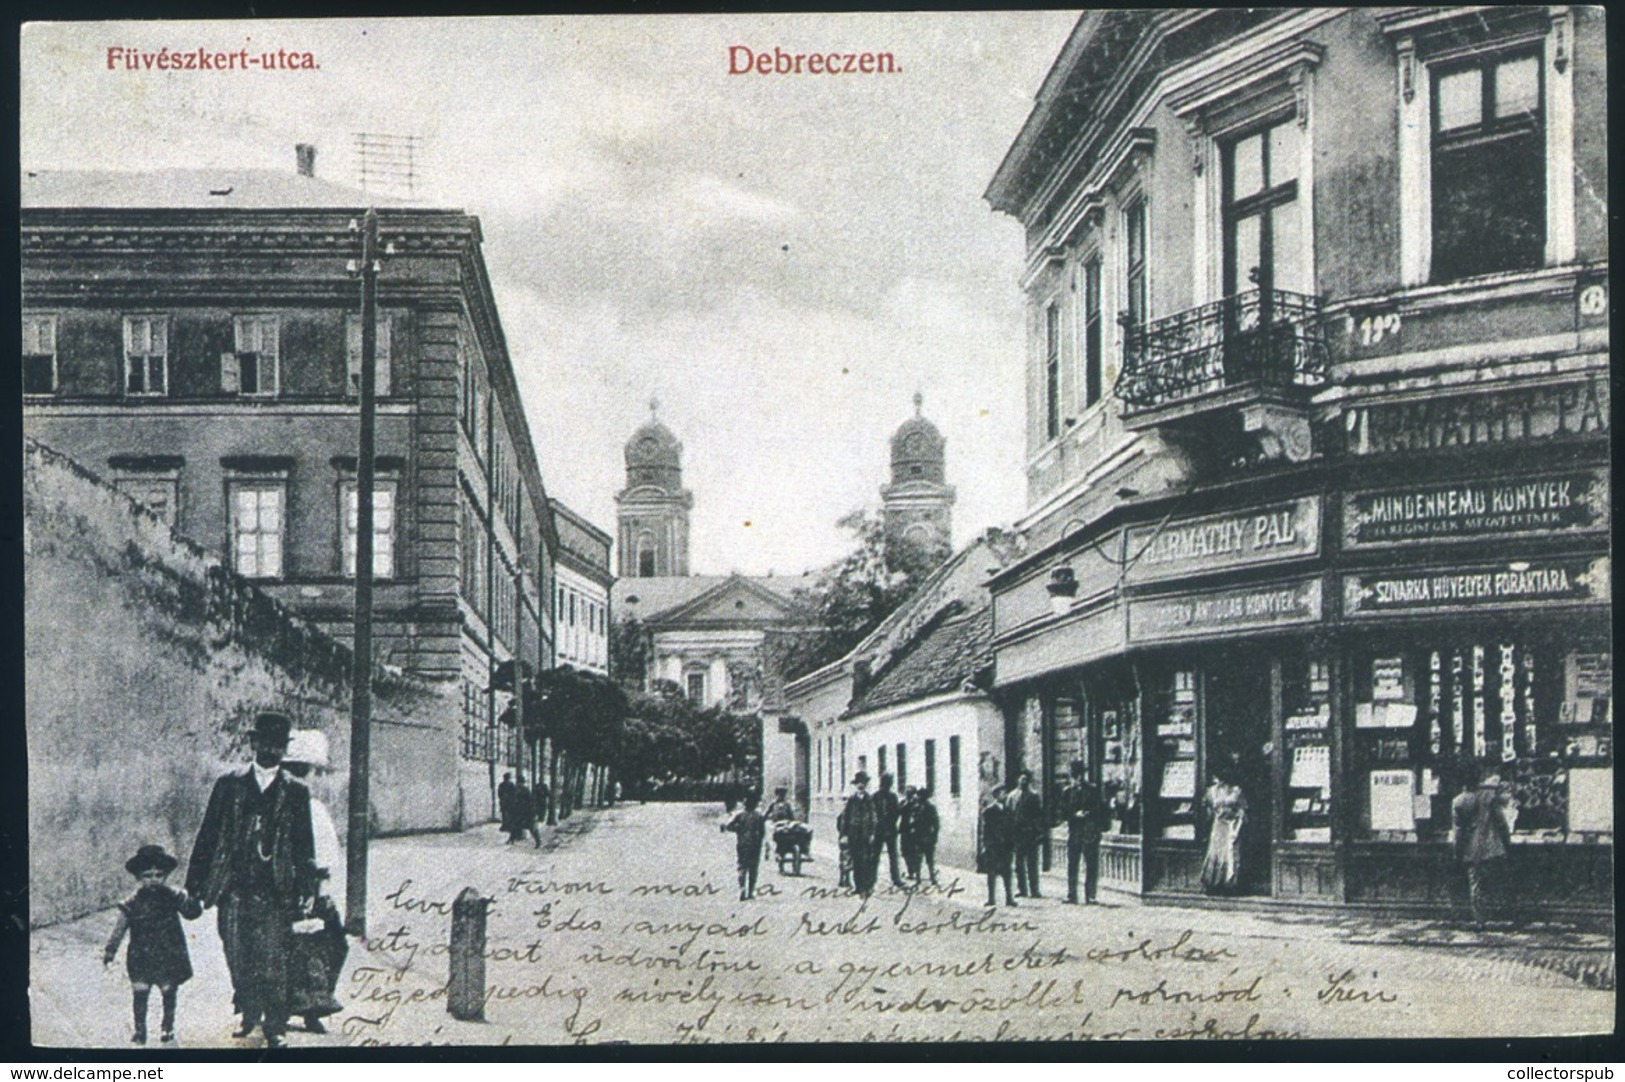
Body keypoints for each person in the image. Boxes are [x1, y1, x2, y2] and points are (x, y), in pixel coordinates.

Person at [185, 711, 316, 1048]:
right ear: (254, 743)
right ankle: (249, 1012)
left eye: (278, 745)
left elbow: (305, 845)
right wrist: (195, 884)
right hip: (234, 887)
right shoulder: (229, 785)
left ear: (284, 749)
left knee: (274, 959)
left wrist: (307, 888)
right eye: (266, 743)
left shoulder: (296, 792)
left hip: (277, 889)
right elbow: (208, 835)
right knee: (238, 954)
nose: (272, 751)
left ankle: (275, 1025)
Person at [281, 730, 347, 1034]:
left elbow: (325, 857)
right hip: (298, 888)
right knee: (314, 946)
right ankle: (302, 1006)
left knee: (323, 945)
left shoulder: (311, 808)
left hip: (304, 887)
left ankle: (308, 1005)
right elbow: (321, 859)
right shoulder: (306, 807)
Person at [104, 844, 203, 1045]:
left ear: (165, 875)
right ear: (139, 877)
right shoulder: (132, 902)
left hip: (168, 952)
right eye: (148, 875)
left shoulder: (173, 896)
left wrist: (193, 899)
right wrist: (110, 950)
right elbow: (120, 927)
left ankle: (168, 1028)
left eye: (159, 875)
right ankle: (140, 1031)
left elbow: (192, 913)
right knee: (140, 992)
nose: (154, 879)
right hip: (141, 954)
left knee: (169, 991)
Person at [1452, 767, 1514, 928]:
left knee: (1476, 885)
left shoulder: (1459, 801)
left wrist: (1456, 852)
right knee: (1495, 880)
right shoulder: (1488, 797)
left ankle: (1480, 920)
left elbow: (1458, 831)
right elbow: (1501, 823)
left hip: (1472, 850)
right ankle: (1502, 915)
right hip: (1492, 847)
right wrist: (1507, 842)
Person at [1057, 759, 1108, 904]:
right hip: (1075, 833)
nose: (1078, 779)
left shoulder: (1092, 790)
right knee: (1072, 864)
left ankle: (1090, 895)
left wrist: (1088, 814)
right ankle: (1072, 894)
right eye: (1075, 776)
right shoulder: (1067, 792)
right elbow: (1062, 812)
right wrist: (1074, 815)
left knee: (1091, 865)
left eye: (1079, 775)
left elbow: (1101, 810)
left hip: (1090, 833)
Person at [1200, 768, 1247, 896]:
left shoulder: (1236, 791)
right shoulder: (1213, 790)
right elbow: (1205, 805)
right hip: (1219, 825)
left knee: (1230, 853)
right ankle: (1215, 883)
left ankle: (1230, 884)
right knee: (1217, 853)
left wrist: (1238, 826)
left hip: (1232, 825)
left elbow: (1242, 810)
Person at [721, 791, 767, 900]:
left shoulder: (739, 814)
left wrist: (738, 829)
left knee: (742, 866)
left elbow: (728, 826)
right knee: (753, 868)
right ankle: (750, 892)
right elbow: (762, 832)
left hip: (742, 843)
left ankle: (742, 888)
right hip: (755, 844)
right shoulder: (758, 816)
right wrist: (760, 842)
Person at [841, 772, 879, 897]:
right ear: (856, 785)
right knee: (856, 861)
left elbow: (874, 817)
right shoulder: (852, 799)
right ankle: (858, 887)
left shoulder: (869, 799)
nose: (860, 785)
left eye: (863, 783)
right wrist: (844, 834)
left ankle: (867, 887)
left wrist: (873, 833)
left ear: (866, 785)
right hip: (853, 834)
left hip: (866, 834)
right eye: (858, 783)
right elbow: (845, 817)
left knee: (867, 860)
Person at [978, 784, 1016, 907]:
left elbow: (1011, 829)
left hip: (1005, 847)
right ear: (996, 795)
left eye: (1005, 792)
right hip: (993, 847)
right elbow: (986, 831)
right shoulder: (989, 811)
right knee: (992, 873)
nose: (1005, 795)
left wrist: (1011, 844)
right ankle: (991, 898)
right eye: (1002, 793)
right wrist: (987, 845)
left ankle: (1009, 898)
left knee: (1007, 873)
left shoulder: (1008, 810)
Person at [1009, 771, 1045, 899]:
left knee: (1032, 863)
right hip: (1017, 834)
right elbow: (1009, 815)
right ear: (1018, 780)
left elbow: (1038, 816)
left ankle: (1034, 890)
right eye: (1021, 779)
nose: (1023, 782)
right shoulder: (1012, 796)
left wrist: (1039, 833)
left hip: (1030, 834)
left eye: (1026, 780)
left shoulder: (1034, 796)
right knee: (1018, 864)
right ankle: (1021, 889)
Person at [874, 773, 905, 888]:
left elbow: (895, 813)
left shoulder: (881, 796)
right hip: (885, 830)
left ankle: (893, 878)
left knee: (885, 855)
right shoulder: (886, 797)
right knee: (887, 855)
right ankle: (894, 879)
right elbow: (895, 813)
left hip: (884, 829)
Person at [513, 782, 542, 848]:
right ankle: (513, 838)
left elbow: (530, 802)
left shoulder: (525, 791)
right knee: (516, 825)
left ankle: (538, 842)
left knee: (532, 827)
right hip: (522, 812)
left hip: (528, 812)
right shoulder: (519, 790)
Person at [497, 772, 519, 844]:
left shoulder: (502, 785)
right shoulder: (511, 785)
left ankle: (505, 825)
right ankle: (507, 826)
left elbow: (499, 794)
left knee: (504, 814)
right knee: (509, 816)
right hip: (509, 803)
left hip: (504, 803)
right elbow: (514, 794)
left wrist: (503, 799)